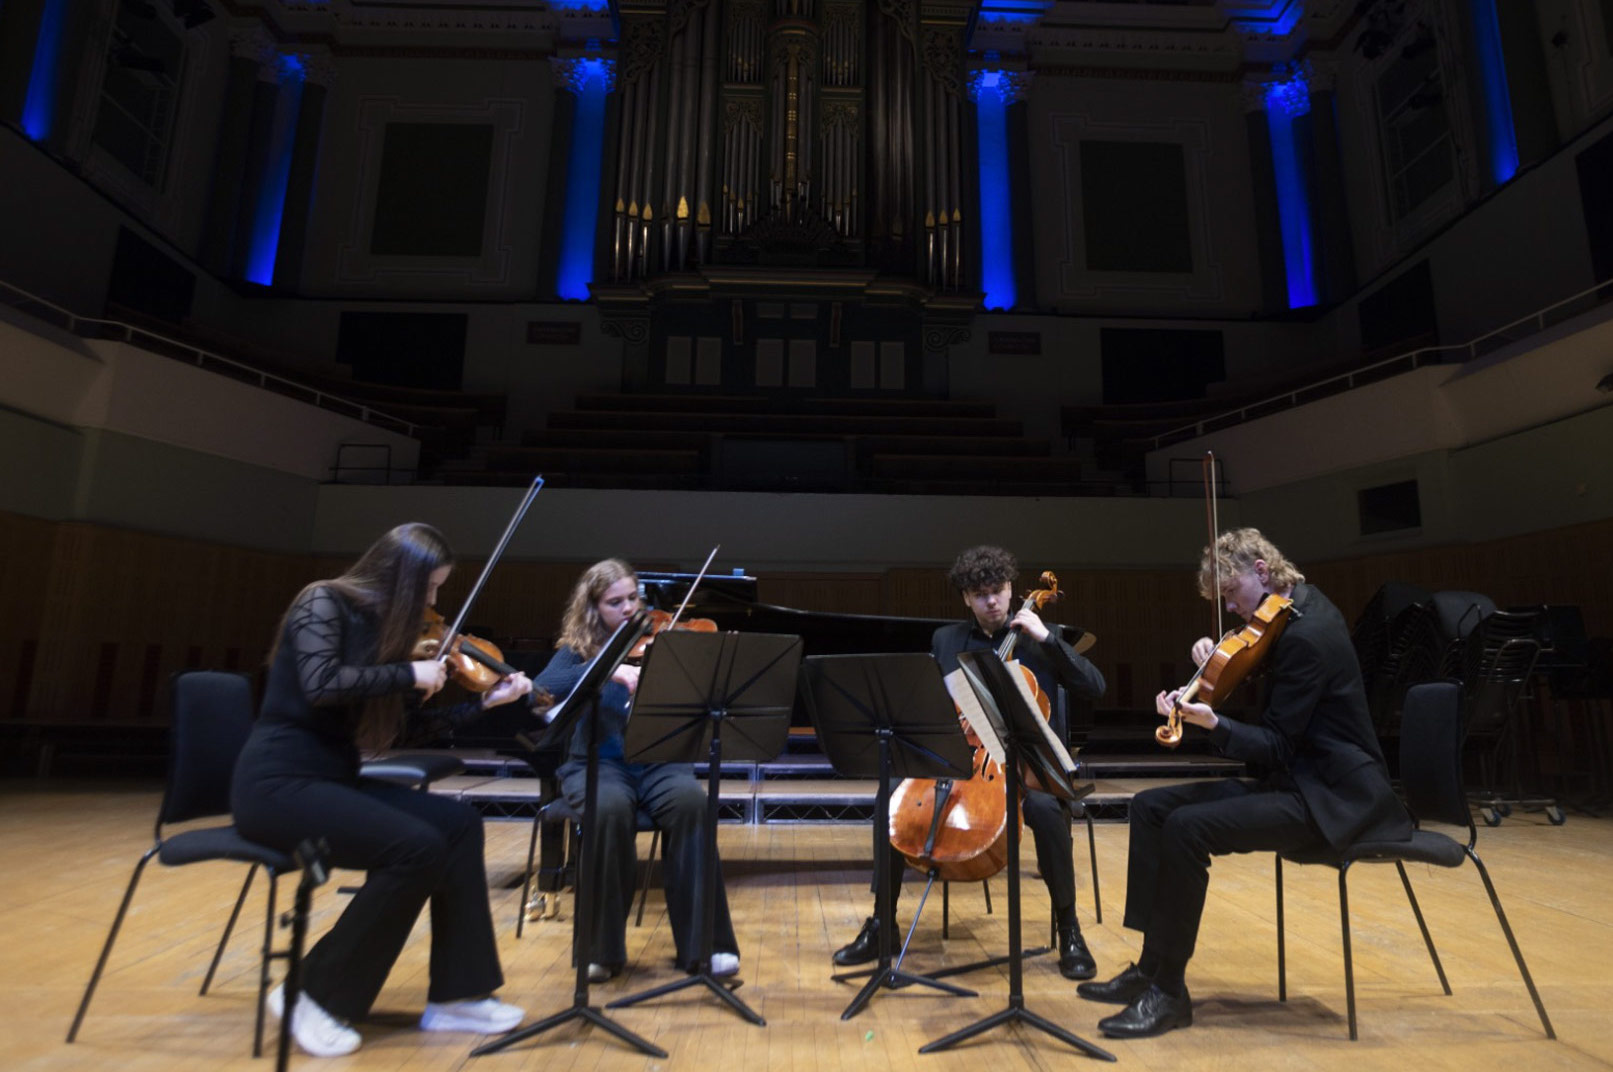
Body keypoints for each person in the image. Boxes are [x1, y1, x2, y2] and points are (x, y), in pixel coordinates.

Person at [1077, 527, 1413, 1038]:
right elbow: (1277, 686)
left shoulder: (1309, 635)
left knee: (1188, 828)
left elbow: (1277, 743)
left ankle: (1169, 992)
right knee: (1149, 809)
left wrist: (1213, 722)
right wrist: (1218, 666)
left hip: (1329, 797)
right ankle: (1151, 968)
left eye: (1231, 595)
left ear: (1261, 571)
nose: (1232, 609)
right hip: (1296, 780)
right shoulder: (1296, 607)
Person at [231, 523, 533, 1058]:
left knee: (457, 825)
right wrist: (405, 673)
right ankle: (312, 994)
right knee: (415, 847)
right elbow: (321, 683)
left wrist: (482, 706)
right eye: (430, 588)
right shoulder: (322, 601)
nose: (434, 602)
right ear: (399, 577)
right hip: (277, 786)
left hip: (331, 781)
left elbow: (402, 734)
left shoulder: (388, 634)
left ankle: (458, 995)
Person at [832, 545, 1107, 980]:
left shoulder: (1042, 636)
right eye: (980, 595)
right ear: (966, 598)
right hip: (967, 762)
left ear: (1012, 589)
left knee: (1045, 812)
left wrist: (1048, 640)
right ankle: (883, 923)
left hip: (1027, 769)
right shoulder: (947, 640)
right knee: (890, 796)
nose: (992, 601)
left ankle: (1068, 927)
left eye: (998, 591)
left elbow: (1096, 686)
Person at [533, 558, 741, 983]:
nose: (628, 608)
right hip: (597, 763)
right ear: (593, 609)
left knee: (691, 805)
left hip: (659, 762)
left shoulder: (663, 641)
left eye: (633, 598)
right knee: (608, 810)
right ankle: (601, 951)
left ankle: (707, 946)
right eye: (615, 602)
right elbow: (543, 689)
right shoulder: (577, 650)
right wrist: (609, 669)